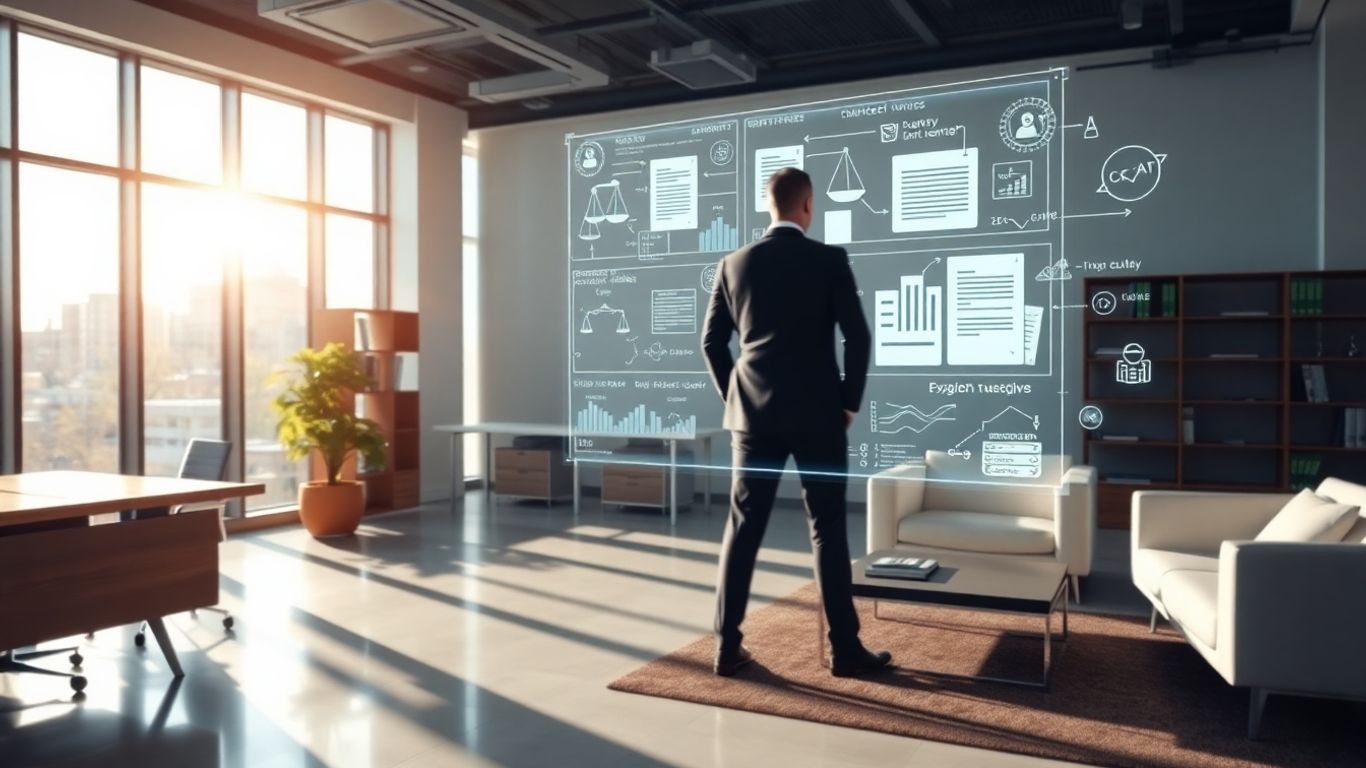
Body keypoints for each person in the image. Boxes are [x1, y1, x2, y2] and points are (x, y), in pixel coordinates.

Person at [701, 167, 891, 678]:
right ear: (807, 206)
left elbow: (711, 343)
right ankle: (846, 651)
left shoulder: (734, 263)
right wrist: (848, 401)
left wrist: (736, 397)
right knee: (828, 529)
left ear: (770, 205)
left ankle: (725, 648)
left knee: (742, 529)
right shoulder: (828, 260)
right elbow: (858, 336)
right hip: (818, 415)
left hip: (753, 417)